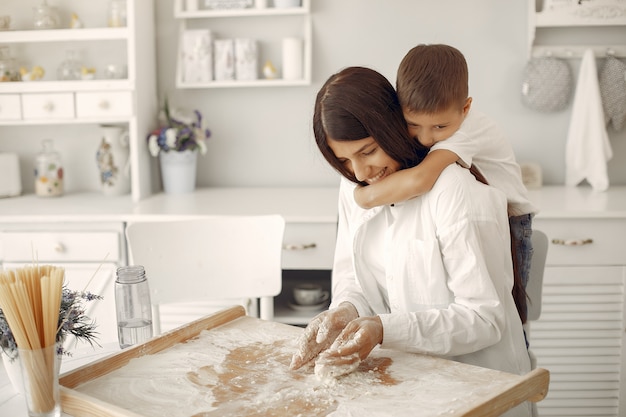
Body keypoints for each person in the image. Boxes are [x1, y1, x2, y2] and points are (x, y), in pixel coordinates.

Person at [290, 66, 532, 417]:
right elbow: (354, 279)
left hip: (478, 391)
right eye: (343, 160)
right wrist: (345, 310)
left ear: (392, 128)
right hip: (404, 389)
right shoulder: (354, 187)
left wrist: (383, 328)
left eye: (368, 151)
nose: (360, 172)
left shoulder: (454, 190)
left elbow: (484, 319)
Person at [353, 44, 537, 324]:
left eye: (439, 127)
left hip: (512, 221)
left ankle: (520, 359)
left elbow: (420, 179)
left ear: (465, 108)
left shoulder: (468, 128)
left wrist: (363, 198)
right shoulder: (443, 125)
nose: (426, 138)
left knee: (511, 309)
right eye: (413, 124)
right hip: (476, 216)